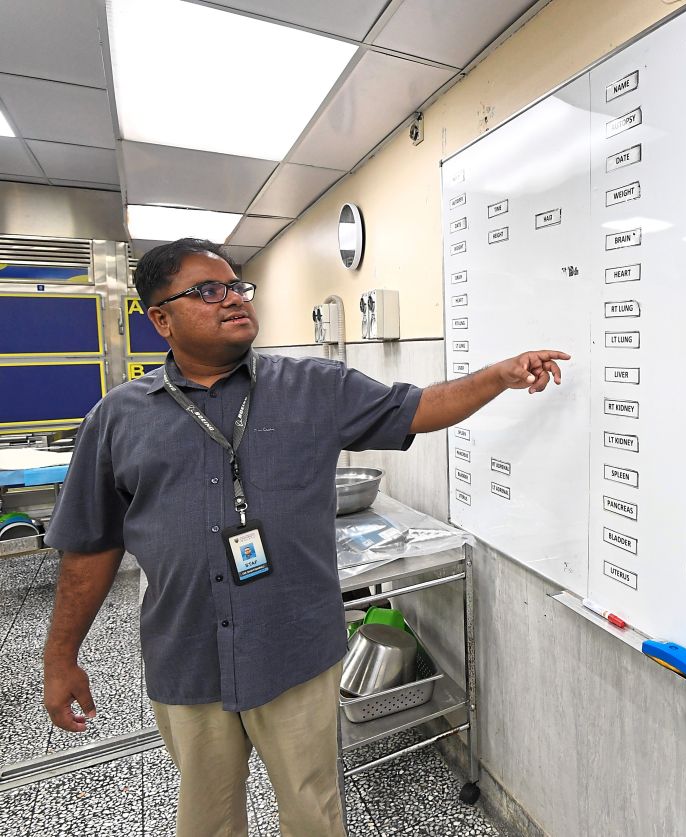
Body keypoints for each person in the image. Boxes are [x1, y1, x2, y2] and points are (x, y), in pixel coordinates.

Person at [41, 238, 569, 836]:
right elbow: (89, 546)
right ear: (160, 318)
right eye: (207, 291)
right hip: (187, 656)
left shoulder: (313, 387)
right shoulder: (117, 419)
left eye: (237, 287)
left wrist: (498, 376)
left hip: (294, 651)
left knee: (314, 813)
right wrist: (60, 657)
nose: (233, 299)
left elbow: (420, 407)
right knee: (206, 820)